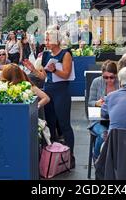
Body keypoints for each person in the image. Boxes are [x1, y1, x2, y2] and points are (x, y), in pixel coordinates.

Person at [23, 26, 76, 167]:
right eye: (45, 39)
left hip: (61, 92)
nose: (45, 41)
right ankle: (54, 156)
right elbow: (44, 76)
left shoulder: (65, 54)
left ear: (56, 40)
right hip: (48, 91)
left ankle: (70, 156)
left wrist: (55, 70)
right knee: (50, 124)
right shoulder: (46, 55)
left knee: (64, 125)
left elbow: (66, 74)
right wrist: (33, 69)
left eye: (48, 39)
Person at [88, 60, 119, 160]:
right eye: (105, 77)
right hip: (97, 117)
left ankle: (114, 160)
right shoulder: (96, 82)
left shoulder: (120, 83)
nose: (109, 80)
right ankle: (97, 159)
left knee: (123, 134)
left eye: (111, 77)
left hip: (115, 117)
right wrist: (97, 103)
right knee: (104, 134)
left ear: (116, 75)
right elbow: (90, 102)